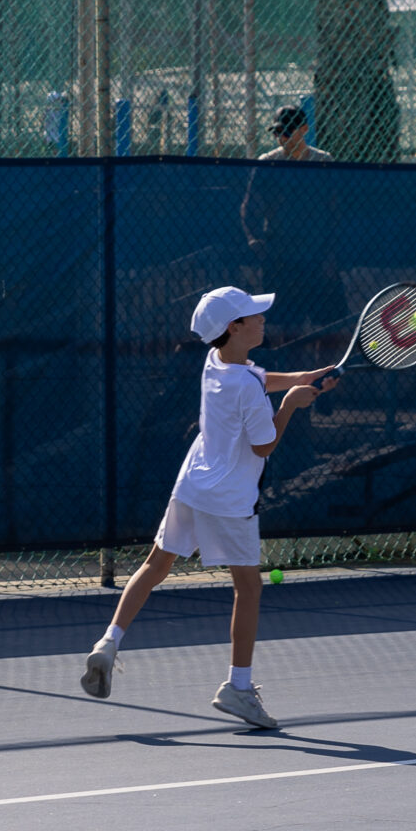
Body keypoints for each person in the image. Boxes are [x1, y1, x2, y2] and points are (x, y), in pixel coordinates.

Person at [79, 285, 335, 730]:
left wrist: (303, 376)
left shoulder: (215, 362)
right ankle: (239, 688)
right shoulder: (247, 388)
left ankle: (108, 641)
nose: (262, 318)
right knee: (248, 588)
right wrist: (291, 405)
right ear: (234, 327)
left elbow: (257, 379)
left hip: (192, 485)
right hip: (230, 499)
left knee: (155, 564)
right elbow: (263, 446)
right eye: (253, 315)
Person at [258, 100, 331, 163]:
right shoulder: (268, 161)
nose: (282, 138)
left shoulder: (323, 160)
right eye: (277, 132)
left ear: (304, 129)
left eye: (287, 131)